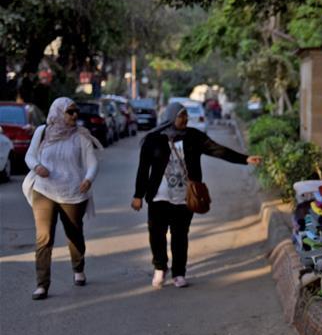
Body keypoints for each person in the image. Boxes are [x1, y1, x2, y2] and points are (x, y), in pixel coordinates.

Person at [132, 102, 262, 289]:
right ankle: (160, 267)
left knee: (180, 236)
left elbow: (218, 150)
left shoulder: (193, 137)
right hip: (159, 197)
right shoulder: (154, 139)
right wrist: (138, 195)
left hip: (186, 197)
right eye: (181, 115)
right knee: (156, 235)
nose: (185, 119)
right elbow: (143, 170)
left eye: (185, 115)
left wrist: (245, 159)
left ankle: (178, 273)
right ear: (171, 117)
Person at [24, 98, 102, 300]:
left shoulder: (81, 137)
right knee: (44, 237)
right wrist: (36, 167)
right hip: (44, 190)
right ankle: (42, 284)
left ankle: (78, 268)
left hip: (73, 193)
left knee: (74, 233)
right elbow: (30, 156)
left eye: (76, 111)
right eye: (70, 112)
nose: (75, 115)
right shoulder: (42, 132)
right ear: (58, 112)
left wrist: (88, 179)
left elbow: (92, 163)